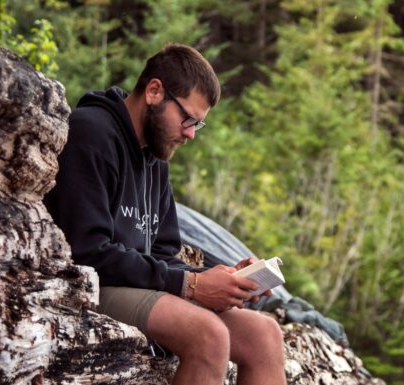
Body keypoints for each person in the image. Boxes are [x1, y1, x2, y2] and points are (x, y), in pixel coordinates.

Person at [44, 44, 287, 385]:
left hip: (138, 284)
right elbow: (87, 250)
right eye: (188, 119)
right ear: (155, 91)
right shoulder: (92, 133)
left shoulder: (155, 156)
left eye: (197, 125)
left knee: (265, 335)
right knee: (209, 335)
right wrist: (191, 284)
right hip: (92, 284)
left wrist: (226, 280)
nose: (189, 134)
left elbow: (162, 255)